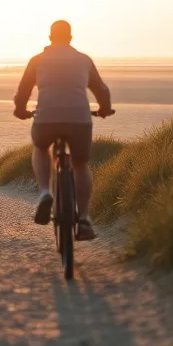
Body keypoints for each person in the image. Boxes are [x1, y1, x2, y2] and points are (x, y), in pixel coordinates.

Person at [12, 20, 114, 240]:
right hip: (79, 119)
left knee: (40, 147)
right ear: (70, 37)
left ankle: (45, 193)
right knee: (80, 164)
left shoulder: (37, 60)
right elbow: (101, 89)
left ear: (50, 37)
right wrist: (105, 109)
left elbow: (23, 91)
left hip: (47, 118)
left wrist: (20, 109)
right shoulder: (84, 60)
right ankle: (84, 219)